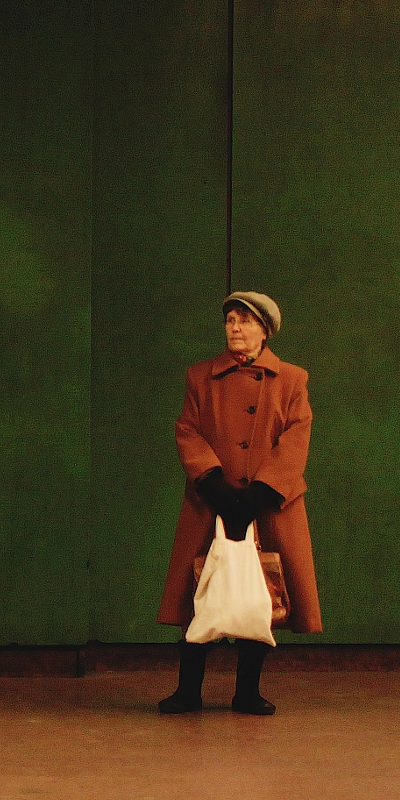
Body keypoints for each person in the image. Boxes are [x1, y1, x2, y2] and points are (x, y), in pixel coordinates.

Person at [158, 292, 321, 716]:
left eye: (245, 321)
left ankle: (247, 691)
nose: (235, 328)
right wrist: (214, 485)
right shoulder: (200, 377)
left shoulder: (292, 380)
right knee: (201, 592)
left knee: (259, 596)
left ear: (265, 331)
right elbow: (188, 431)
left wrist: (259, 495)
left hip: (270, 507)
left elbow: (296, 440)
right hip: (210, 503)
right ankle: (188, 691)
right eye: (230, 319)